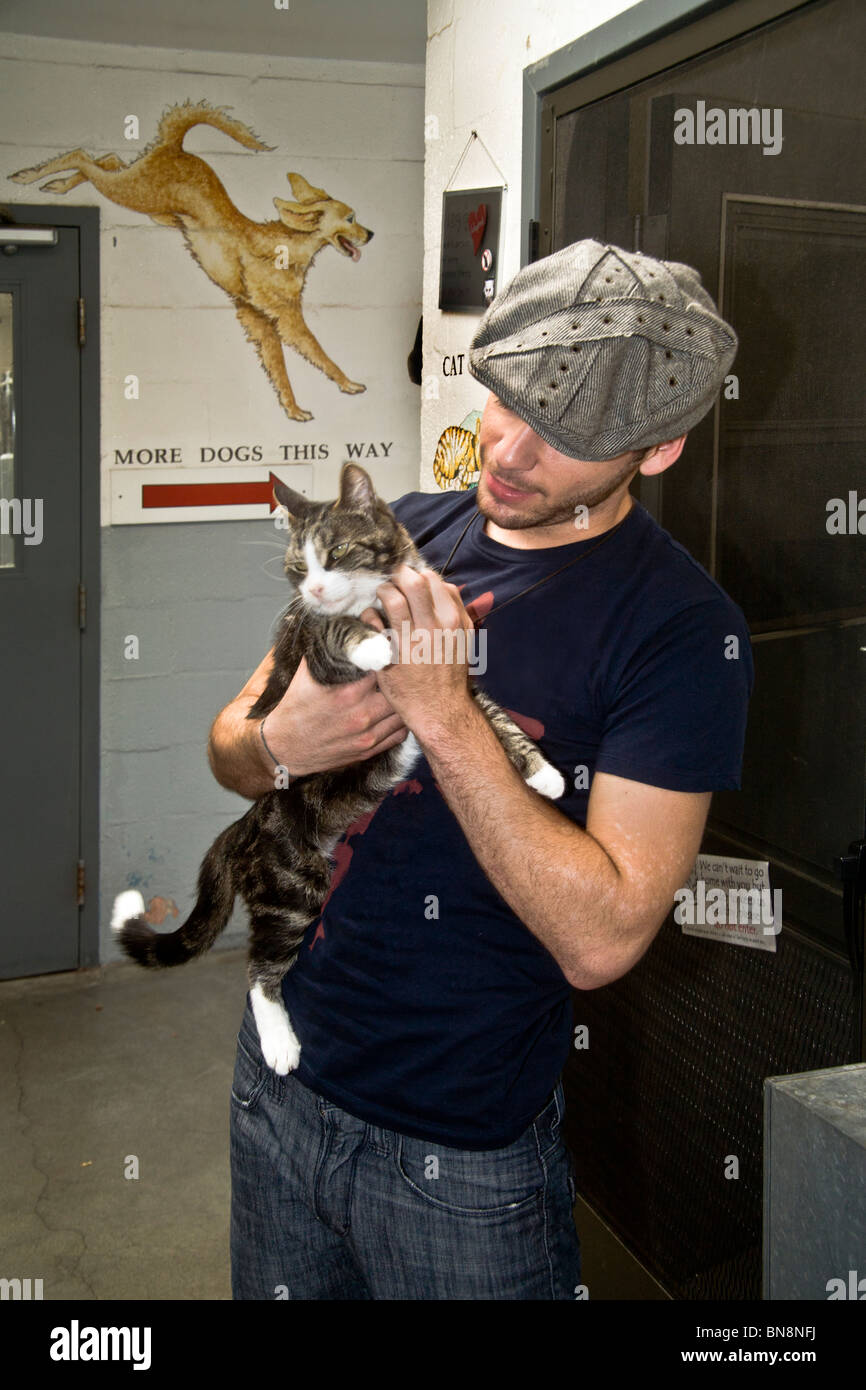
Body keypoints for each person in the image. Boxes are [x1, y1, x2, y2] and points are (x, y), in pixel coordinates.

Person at [209, 239, 752, 1300]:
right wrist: (280, 745)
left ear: (657, 451)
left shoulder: (682, 636)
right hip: (274, 1089)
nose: (505, 450)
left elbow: (601, 941)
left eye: (563, 436)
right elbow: (229, 744)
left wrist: (444, 713)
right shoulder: (405, 530)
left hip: (458, 1159)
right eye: (503, 400)